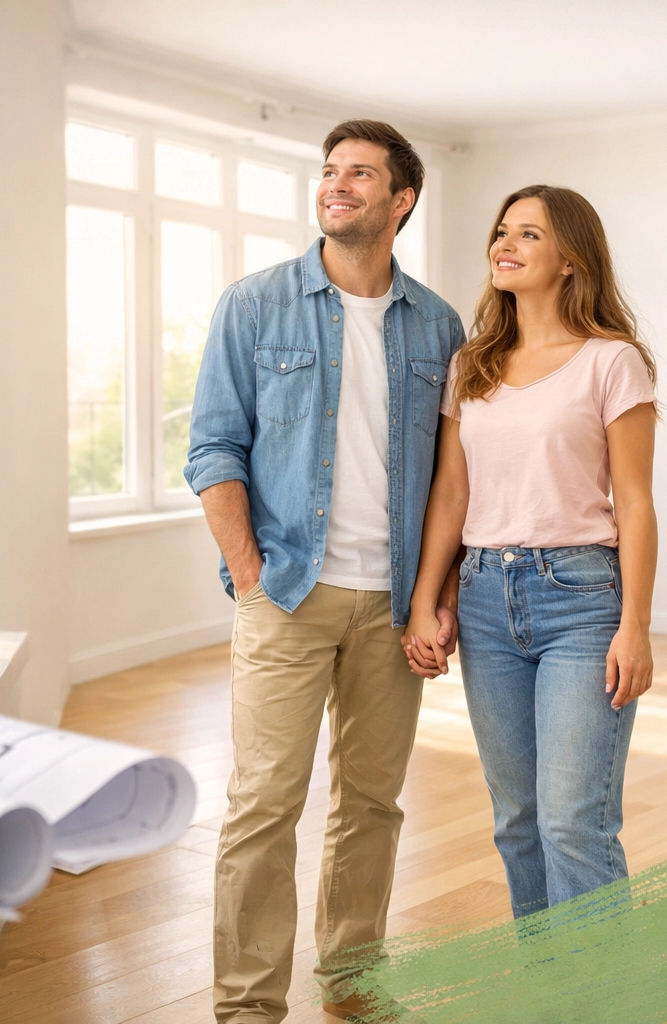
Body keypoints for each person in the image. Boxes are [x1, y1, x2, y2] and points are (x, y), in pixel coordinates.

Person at [184, 119, 464, 1023]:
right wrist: (251, 575)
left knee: (372, 804)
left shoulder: (440, 325)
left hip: (393, 604)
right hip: (288, 593)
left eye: (361, 174)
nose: (337, 184)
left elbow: (456, 479)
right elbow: (212, 448)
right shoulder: (255, 305)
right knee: (264, 803)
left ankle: (353, 982)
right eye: (330, 171)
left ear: (402, 200)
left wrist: (437, 600)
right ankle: (247, 1007)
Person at [403, 184, 658, 919]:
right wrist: (426, 601)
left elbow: (635, 502)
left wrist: (635, 627)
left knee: (573, 824)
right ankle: (546, 974)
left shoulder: (611, 362)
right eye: (502, 231)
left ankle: (598, 981)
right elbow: (452, 495)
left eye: (529, 234)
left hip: (581, 598)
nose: (504, 245)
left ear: (571, 259)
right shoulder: (473, 364)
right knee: (517, 821)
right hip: (486, 597)